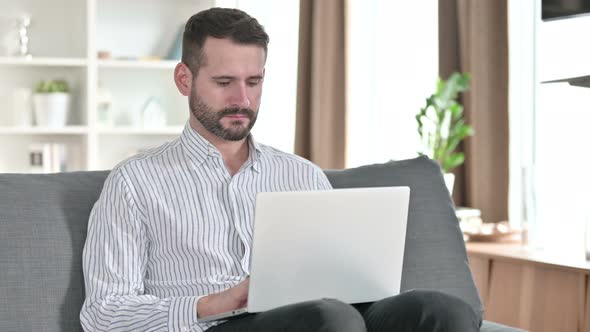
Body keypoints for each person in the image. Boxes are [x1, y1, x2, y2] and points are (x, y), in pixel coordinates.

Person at [80, 7, 480, 332]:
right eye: (224, 82)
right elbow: (103, 314)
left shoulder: (303, 176)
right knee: (332, 319)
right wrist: (217, 302)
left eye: (253, 81)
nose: (242, 98)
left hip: (320, 317)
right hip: (214, 326)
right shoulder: (134, 183)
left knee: (442, 311)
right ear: (184, 80)